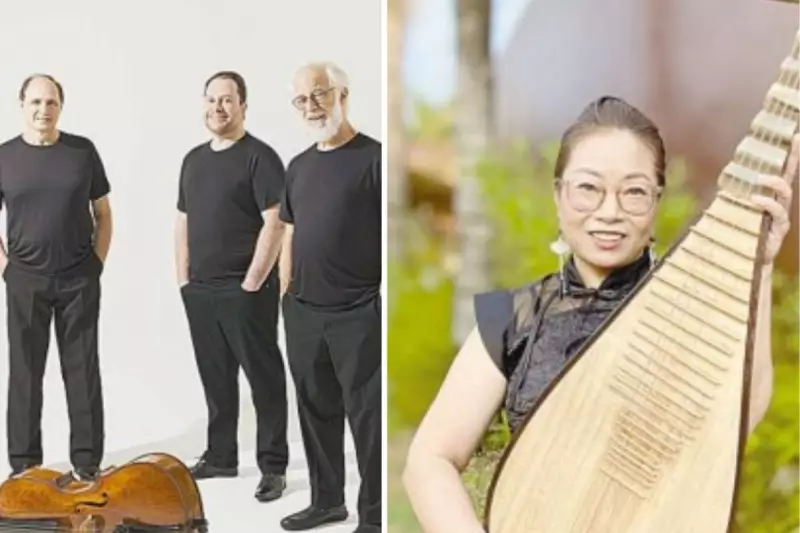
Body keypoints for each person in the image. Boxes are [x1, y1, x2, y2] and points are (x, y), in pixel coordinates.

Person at [401, 96, 799, 533]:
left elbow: (743, 413)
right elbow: (429, 460)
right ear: (558, 195)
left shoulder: (690, 310)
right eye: (589, 188)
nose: (609, 212)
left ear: (656, 201)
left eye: (633, 192)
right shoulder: (513, 318)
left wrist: (758, 266)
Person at [175, 71, 289, 503]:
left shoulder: (260, 157)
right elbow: (182, 220)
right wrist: (184, 278)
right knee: (215, 377)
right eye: (211, 100)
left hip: (246, 290)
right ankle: (221, 456)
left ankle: (273, 466)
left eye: (226, 100)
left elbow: (276, 221)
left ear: (243, 105)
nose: (217, 108)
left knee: (263, 378)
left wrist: (253, 282)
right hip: (201, 289)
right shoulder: (193, 160)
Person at [278, 62, 382, 533]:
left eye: (319, 95)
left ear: (343, 93)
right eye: (302, 100)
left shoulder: (376, 159)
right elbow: (289, 232)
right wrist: (286, 297)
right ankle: (327, 502)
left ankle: (375, 515)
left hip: (359, 311)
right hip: (303, 311)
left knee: (368, 419)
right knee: (315, 410)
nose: (311, 106)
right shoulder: (298, 167)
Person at [0, 74, 113, 480]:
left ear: (60, 106)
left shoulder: (82, 152)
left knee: (82, 370)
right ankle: (24, 466)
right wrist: (6, 268)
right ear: (22, 105)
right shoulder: (4, 156)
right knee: (25, 373)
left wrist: (95, 265)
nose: (43, 110)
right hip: (25, 280)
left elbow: (103, 215)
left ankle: (86, 463)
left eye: (50, 102)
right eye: (35, 102)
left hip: (78, 279)